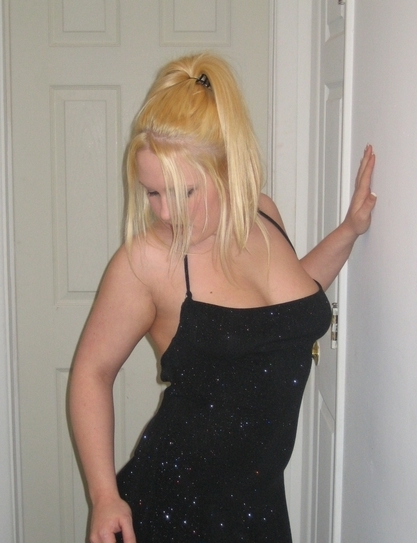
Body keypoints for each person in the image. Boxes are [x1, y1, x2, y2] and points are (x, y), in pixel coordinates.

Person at [69, 52, 376, 543]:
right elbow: (91, 372)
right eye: (152, 193)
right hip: (175, 509)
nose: (164, 213)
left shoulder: (263, 214)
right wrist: (105, 495)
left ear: (227, 166)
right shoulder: (147, 260)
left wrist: (350, 231)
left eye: (183, 192)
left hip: (258, 506)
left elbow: (288, 307)